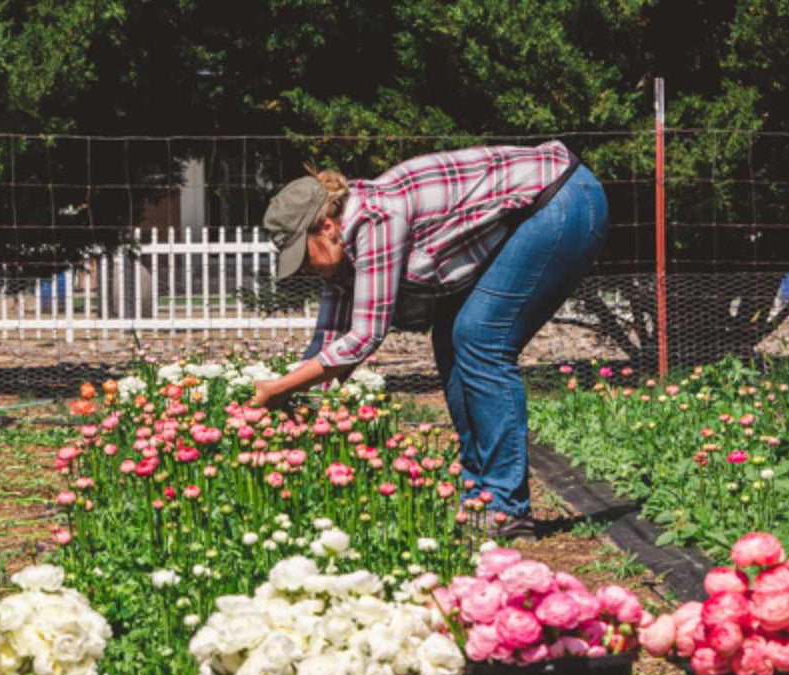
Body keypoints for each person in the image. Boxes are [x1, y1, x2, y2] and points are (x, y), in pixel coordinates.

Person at [255, 141, 608, 539]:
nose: (303, 269)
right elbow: (327, 339)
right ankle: (479, 496)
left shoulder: (375, 220)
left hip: (559, 198)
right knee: (451, 338)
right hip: (533, 209)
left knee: (480, 338)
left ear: (326, 227)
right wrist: (300, 396)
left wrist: (280, 390)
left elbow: (366, 334)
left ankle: (508, 506)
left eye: (303, 256)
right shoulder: (343, 252)